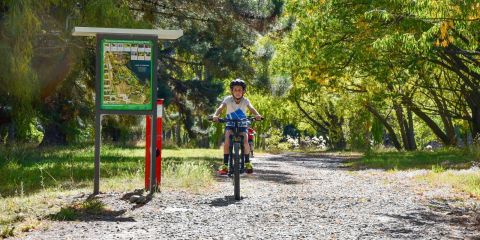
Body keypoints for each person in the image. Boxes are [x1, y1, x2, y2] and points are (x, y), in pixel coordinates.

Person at [212, 78, 262, 174]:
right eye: (235, 90)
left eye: (240, 90)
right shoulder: (227, 99)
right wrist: (215, 115)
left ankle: (247, 163)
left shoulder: (245, 100)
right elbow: (220, 107)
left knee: (245, 140)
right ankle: (225, 165)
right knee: (227, 140)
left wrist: (257, 115)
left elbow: (251, 108)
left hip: (242, 124)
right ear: (232, 91)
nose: (237, 92)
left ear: (243, 91)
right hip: (230, 123)